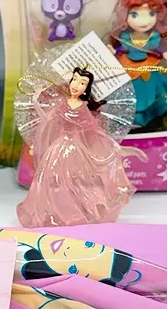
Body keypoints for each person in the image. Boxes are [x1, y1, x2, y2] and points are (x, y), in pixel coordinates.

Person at [16, 67, 133, 227]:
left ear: (87, 88)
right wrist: (36, 101)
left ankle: (78, 211)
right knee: (52, 180)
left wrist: (111, 146)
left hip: (76, 150)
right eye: (75, 79)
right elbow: (48, 119)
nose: (76, 85)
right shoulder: (62, 105)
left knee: (78, 181)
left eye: (82, 83)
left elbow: (94, 131)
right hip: (59, 148)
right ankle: (55, 211)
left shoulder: (83, 108)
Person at [110, 0, 167, 128]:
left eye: (151, 14)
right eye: (134, 15)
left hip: (148, 67)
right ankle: (133, 116)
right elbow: (121, 49)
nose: (143, 22)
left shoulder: (154, 37)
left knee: (153, 88)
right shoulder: (125, 36)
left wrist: (164, 54)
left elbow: (156, 51)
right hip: (128, 67)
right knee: (130, 91)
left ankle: (149, 114)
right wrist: (114, 51)